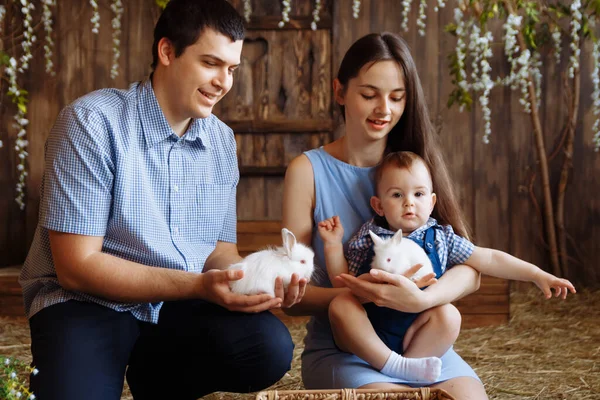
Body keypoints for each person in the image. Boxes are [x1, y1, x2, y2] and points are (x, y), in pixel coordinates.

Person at [18, 1, 307, 399]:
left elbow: (219, 252)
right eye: (211, 63)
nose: (224, 82)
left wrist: (257, 281)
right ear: (167, 52)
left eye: (232, 69)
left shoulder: (221, 141)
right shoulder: (90, 122)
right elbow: (76, 267)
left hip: (177, 304)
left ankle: (157, 382)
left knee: (269, 348)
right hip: (84, 302)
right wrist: (199, 287)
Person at [282, 31, 488, 399]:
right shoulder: (306, 170)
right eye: (369, 95)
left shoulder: (415, 167)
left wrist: (421, 301)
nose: (384, 110)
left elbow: (471, 274)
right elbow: (292, 296)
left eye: (397, 97)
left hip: (421, 341)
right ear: (340, 92)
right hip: (346, 347)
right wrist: (367, 297)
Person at [317, 150, 576, 383]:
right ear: (378, 205)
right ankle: (394, 366)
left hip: (416, 333)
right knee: (341, 305)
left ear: (431, 202)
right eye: (397, 195)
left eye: (418, 194)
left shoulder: (443, 238)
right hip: (369, 331)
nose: (409, 202)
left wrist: (536, 274)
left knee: (449, 315)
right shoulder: (368, 236)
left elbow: (490, 259)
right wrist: (332, 245)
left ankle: (409, 368)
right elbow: (343, 280)